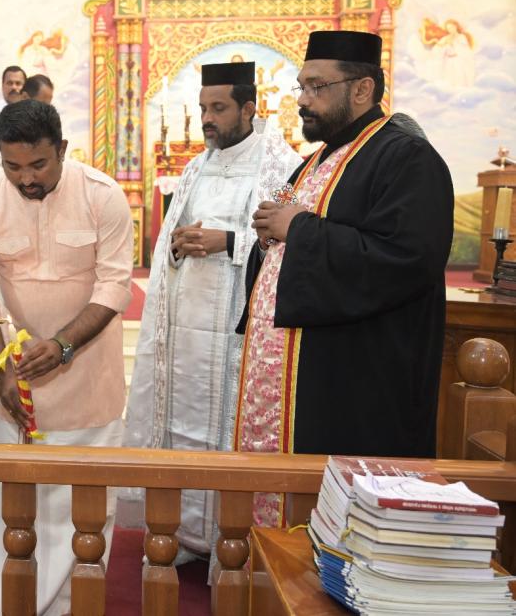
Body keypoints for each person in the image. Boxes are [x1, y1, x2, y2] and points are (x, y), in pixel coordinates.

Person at [236, 30, 454, 527]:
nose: (302, 100)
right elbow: (283, 244)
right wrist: (267, 241)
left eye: (317, 87)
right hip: (292, 381)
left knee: (336, 523)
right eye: (302, 87)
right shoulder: (313, 162)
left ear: (362, 89)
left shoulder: (406, 158)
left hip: (351, 384)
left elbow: (407, 259)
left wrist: (298, 228)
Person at [0, 99, 133, 614]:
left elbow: (114, 287)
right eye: (12, 166)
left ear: (62, 149)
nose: (26, 179)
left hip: (90, 381)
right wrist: (3, 375)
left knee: (86, 513)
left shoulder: (103, 196)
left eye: (38, 164)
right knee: (18, 511)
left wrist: (61, 347)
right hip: (19, 384)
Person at [123, 62, 301, 558]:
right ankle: (181, 535)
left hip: (235, 336)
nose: (207, 118)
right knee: (181, 427)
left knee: (225, 431)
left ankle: (229, 540)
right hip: (185, 336)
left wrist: (229, 241)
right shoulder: (194, 168)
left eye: (218, 108)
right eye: (203, 108)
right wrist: (177, 246)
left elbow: (291, 244)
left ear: (249, 109)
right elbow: (168, 244)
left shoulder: (283, 168)